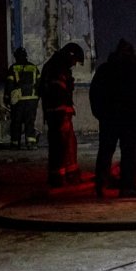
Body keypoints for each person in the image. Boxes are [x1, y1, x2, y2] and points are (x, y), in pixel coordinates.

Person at [90, 39, 136, 197]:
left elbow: (95, 93)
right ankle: (127, 186)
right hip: (130, 120)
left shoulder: (105, 70)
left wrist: (100, 114)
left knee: (105, 151)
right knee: (129, 153)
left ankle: (101, 184)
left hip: (110, 118)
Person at [40, 42, 85, 188]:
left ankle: (70, 174)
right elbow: (57, 93)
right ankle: (58, 177)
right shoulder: (57, 68)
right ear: (69, 56)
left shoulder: (57, 66)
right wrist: (64, 111)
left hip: (60, 112)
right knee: (59, 146)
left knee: (68, 143)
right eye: (74, 61)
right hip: (58, 113)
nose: (74, 64)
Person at [4, 47, 41, 149]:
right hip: (32, 100)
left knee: (16, 122)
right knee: (30, 121)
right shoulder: (33, 68)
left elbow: (9, 85)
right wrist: (38, 98)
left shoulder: (13, 68)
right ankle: (30, 143)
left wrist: (7, 98)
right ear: (26, 56)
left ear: (16, 56)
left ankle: (15, 143)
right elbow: (39, 84)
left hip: (18, 101)